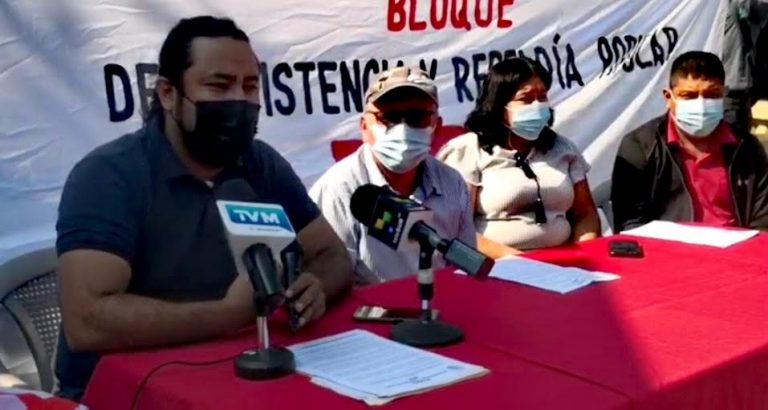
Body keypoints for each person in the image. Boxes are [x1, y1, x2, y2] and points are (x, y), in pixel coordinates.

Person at [55, 16, 352, 400]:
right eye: (219, 85)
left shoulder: (261, 163)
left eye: (250, 86)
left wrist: (316, 286)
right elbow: (87, 322)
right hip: (126, 395)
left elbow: (331, 254)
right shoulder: (109, 175)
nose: (239, 101)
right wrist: (227, 314)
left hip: (248, 378)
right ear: (168, 93)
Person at [310, 67, 476, 285]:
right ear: (364, 127)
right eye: (389, 118)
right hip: (370, 305)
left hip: (441, 300)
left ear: (436, 127)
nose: (403, 130)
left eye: (417, 117)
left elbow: (465, 269)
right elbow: (331, 279)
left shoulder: (452, 183)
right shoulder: (338, 190)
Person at [437, 58, 601, 257]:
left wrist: (585, 255)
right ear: (499, 105)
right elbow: (455, 229)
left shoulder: (562, 148)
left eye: (542, 96)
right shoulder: (467, 150)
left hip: (565, 263)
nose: (538, 105)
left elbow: (585, 214)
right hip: (495, 266)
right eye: (526, 99)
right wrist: (519, 263)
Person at [611, 51, 768, 232]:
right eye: (689, 96)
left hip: (737, 247)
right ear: (668, 97)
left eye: (712, 95)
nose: (701, 104)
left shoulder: (746, 147)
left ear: (724, 95)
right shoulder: (640, 146)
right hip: (666, 247)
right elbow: (629, 224)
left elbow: (763, 221)